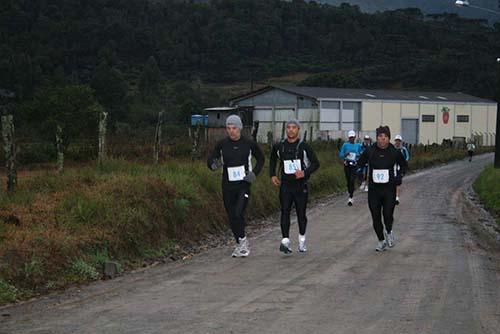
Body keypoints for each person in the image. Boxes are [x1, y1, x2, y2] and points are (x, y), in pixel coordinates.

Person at [207, 115, 265, 257]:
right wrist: (214, 165)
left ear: (239, 128)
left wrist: (254, 174)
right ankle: (240, 243)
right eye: (228, 128)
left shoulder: (249, 144)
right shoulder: (222, 144)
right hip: (227, 185)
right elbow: (211, 160)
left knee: (238, 213)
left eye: (234, 128)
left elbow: (261, 159)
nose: (231, 131)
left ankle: (243, 243)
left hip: (243, 185)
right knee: (232, 215)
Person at [270, 119, 320, 254]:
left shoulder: (304, 146)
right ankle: (285, 241)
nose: (291, 130)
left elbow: (316, 163)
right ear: (286, 130)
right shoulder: (280, 146)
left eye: (293, 127)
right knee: (285, 211)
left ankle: (302, 240)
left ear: (298, 130)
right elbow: (273, 159)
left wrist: (304, 172)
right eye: (288, 127)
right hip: (285, 184)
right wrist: (272, 175)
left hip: (300, 185)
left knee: (300, 213)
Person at [357, 126, 408, 251]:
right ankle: (381, 240)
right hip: (374, 190)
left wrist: (399, 176)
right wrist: (359, 174)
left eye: (385, 137)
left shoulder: (394, 152)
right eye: (380, 136)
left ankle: (389, 231)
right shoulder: (370, 151)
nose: (382, 139)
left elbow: (404, 166)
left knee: (387, 215)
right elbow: (360, 163)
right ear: (377, 137)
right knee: (375, 216)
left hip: (389, 189)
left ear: (388, 138)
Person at [339, 130, 362, 206]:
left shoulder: (358, 145)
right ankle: (350, 191)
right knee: (348, 180)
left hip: (354, 165)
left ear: (355, 137)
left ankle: (351, 197)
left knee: (352, 180)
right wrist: (345, 154)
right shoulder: (345, 145)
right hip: (347, 164)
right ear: (348, 137)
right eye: (350, 137)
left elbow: (361, 153)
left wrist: (358, 155)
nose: (352, 138)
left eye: (353, 137)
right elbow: (341, 155)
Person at [393, 135, 410, 205]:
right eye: (396, 140)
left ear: (400, 142)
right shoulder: (392, 149)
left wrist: (403, 163)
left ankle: (397, 198)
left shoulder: (403, 149)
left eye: (399, 141)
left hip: (399, 168)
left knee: (398, 183)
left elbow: (407, 157)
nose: (397, 142)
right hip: (392, 167)